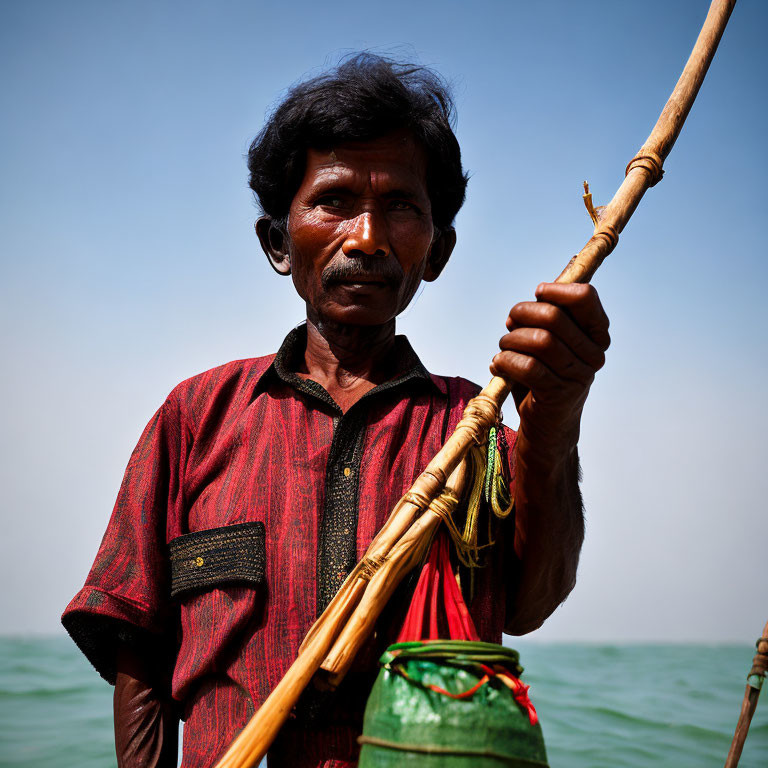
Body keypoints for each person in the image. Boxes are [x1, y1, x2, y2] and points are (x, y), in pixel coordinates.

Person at [62, 54, 609, 768]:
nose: (368, 237)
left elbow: (531, 603)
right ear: (278, 243)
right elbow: (137, 640)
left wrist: (556, 414)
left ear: (436, 251)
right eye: (335, 200)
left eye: (402, 207)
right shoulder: (195, 417)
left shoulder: (475, 431)